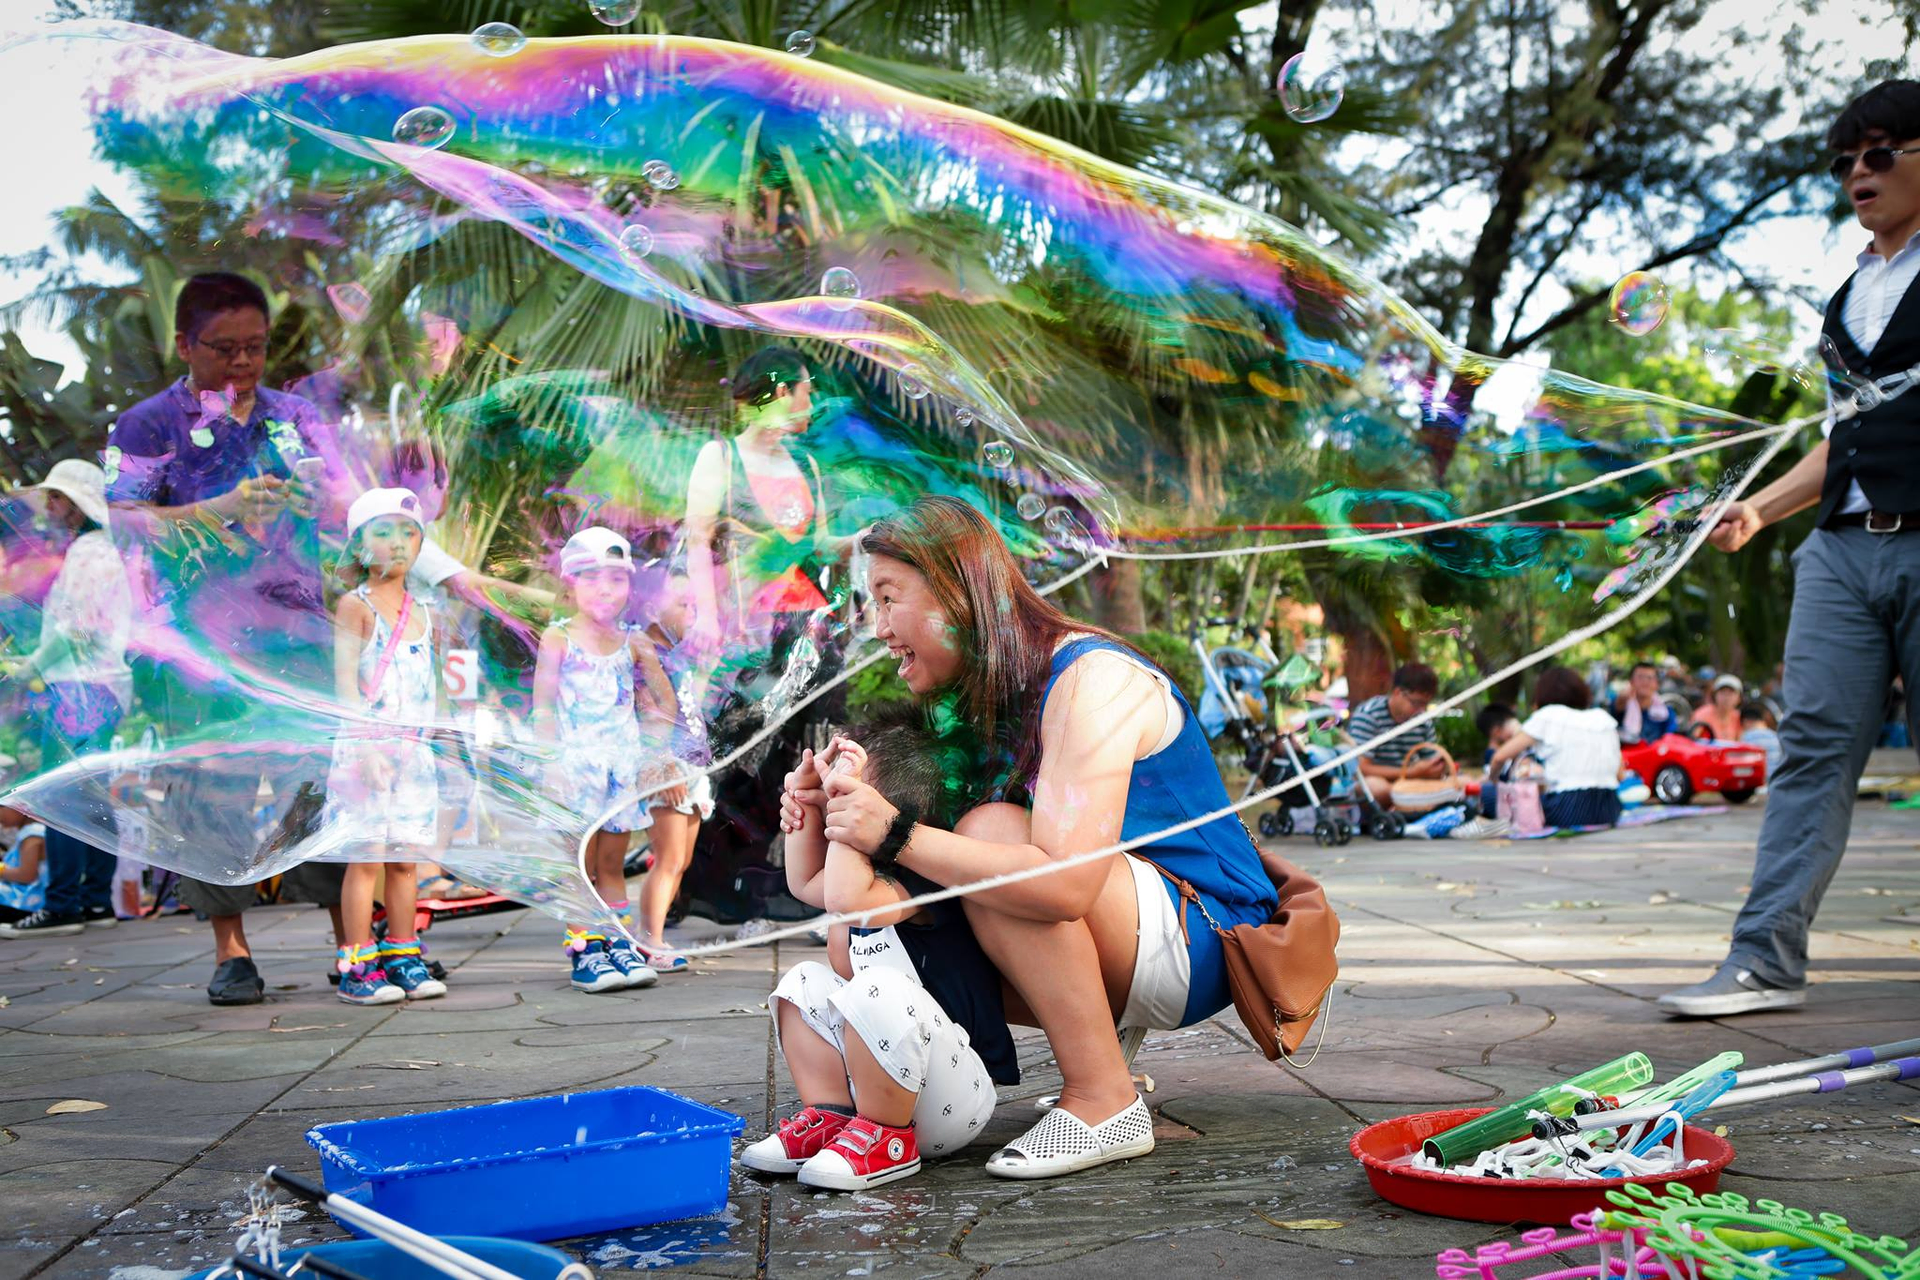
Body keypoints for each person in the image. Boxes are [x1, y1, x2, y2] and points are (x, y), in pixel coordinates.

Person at [805, 496, 1285, 1180]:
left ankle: (1104, 1098)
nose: (878, 628)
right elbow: (849, 892)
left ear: (956, 590)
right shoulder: (986, 692)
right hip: (1133, 924)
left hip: (1207, 936)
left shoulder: (1092, 678)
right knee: (866, 928)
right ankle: (935, 1097)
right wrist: (829, 818)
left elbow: (1066, 885)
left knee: (990, 833)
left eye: (887, 598)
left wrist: (893, 831)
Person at [1661, 79, 1920, 1018]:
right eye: (1847, 159)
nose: (1860, 172)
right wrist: (1762, 510)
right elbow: (1842, 436)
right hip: (1842, 554)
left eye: (1883, 152)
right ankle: (1763, 960)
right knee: (1809, 752)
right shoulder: (1850, 294)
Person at [104, 271, 345, 1003]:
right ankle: (230, 953)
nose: (242, 363)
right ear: (184, 343)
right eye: (225, 348)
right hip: (200, 646)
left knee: (323, 784)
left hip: (298, 629)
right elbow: (123, 522)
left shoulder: (294, 415)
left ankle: (355, 943)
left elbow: (343, 503)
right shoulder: (146, 425)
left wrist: (320, 498)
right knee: (208, 794)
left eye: (256, 348)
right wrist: (218, 507)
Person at [744, 710, 1016, 1191]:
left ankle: (887, 1141)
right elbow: (808, 883)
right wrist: (804, 803)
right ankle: (831, 1117)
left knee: (875, 986)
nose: (835, 793)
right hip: (891, 1084)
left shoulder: (920, 884)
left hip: (954, 1096)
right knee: (801, 982)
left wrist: (843, 812)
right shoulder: (861, 880)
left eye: (848, 789)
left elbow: (847, 900)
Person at [531, 527, 678, 994]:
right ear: (570, 583)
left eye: (616, 579)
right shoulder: (558, 638)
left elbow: (664, 702)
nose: (604, 589)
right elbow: (543, 707)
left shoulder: (634, 643)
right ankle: (585, 950)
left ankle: (616, 942)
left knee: (611, 865)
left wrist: (653, 752)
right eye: (592, 578)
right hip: (574, 770)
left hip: (617, 773)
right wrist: (550, 762)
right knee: (578, 863)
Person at [321, 488, 449, 1005]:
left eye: (408, 532)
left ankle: (403, 951)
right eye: (383, 532)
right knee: (367, 858)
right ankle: (356, 962)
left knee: (405, 861)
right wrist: (366, 747)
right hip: (368, 752)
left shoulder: (425, 610)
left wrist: (441, 735)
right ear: (358, 547)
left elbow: (430, 683)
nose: (398, 543)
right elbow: (346, 684)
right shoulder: (356, 606)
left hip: (413, 756)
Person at [0, 461, 132, 937]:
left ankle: (62, 906)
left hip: (80, 686)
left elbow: (74, 628)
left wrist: (33, 666)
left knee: (62, 794)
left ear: (78, 503)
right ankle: (95, 901)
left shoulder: (88, 553)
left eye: (56, 497)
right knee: (93, 794)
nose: (50, 506)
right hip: (104, 685)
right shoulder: (103, 551)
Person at [635, 572, 714, 973]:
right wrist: (663, 765)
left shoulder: (675, 651)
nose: (691, 613)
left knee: (680, 861)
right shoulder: (644, 651)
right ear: (651, 608)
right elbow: (649, 714)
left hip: (693, 763)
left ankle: (653, 934)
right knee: (666, 859)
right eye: (683, 605)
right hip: (669, 766)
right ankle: (649, 940)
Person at [1489, 666, 1624, 829]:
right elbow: (1620, 774)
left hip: (1567, 809)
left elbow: (1499, 757)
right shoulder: (1603, 718)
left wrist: (1492, 781)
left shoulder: (1548, 715)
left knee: (1490, 795)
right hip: (1610, 808)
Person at [1349, 663, 1443, 808]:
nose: (1421, 710)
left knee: (1465, 782)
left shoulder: (1422, 719)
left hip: (1410, 782)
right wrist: (1411, 772)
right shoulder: (1369, 715)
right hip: (1378, 782)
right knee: (1378, 789)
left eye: (1425, 704)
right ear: (1398, 692)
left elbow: (1431, 760)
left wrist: (1437, 768)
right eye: (1417, 703)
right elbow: (1360, 768)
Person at [0, 805, 50, 926]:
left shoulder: (32, 834)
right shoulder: (30, 832)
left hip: (25, 904)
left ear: (20, 808)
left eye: (1, 807)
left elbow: (27, 875)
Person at [1613, 661, 1677, 744]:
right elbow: (1617, 706)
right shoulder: (1623, 705)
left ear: (1657, 684)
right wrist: (1623, 697)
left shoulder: (1666, 713)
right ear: (1631, 682)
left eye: (1650, 678)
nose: (1645, 681)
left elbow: (1670, 740)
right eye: (1640, 677)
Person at [1740, 702, 1785, 778]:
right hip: (1776, 780)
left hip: (1758, 782)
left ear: (1746, 721)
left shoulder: (1746, 737)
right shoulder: (1776, 736)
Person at [1695, 674, 1744, 741]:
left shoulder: (1739, 718)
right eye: (1722, 692)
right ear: (1715, 695)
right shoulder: (1703, 714)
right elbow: (1693, 739)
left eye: (1731, 693)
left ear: (1739, 698)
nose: (1726, 697)